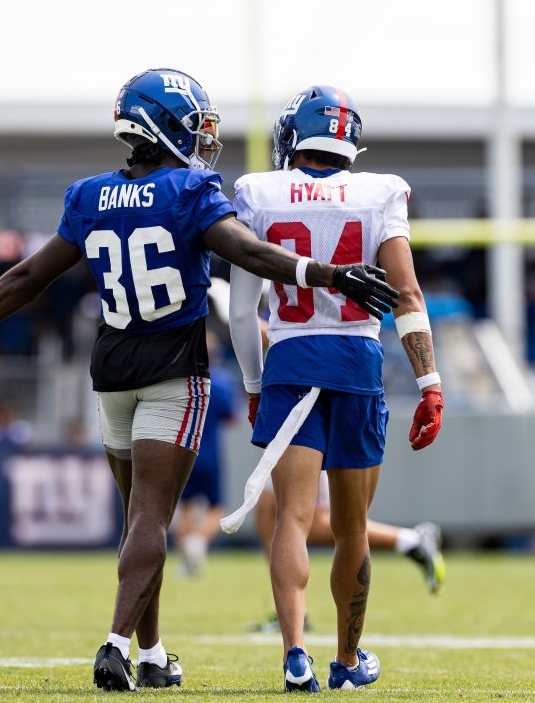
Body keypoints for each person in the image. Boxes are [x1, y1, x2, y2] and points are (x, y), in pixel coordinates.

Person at [0, 69, 398, 693]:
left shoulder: (88, 195)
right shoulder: (191, 189)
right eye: (193, 124)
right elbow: (250, 254)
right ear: (163, 124)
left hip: (110, 371)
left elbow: (27, 279)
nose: (203, 138)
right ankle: (116, 644)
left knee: (141, 518)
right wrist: (330, 275)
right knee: (149, 519)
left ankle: (155, 651)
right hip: (173, 369)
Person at [228, 85, 444, 692]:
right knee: (351, 527)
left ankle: (296, 656)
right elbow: (408, 296)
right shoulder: (381, 192)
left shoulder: (257, 192)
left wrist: (253, 382)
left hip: (291, 362)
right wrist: (430, 383)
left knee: (291, 521)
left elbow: (244, 312)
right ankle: (347, 664)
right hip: (356, 362)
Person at [248, 478, 446, 632]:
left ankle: (412, 541)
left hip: (304, 428)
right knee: (267, 512)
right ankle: (291, 613)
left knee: (315, 523)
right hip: (284, 430)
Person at [174, 333, 237, 577]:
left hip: (184, 451)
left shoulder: (183, 380)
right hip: (210, 453)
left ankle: (186, 564)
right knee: (217, 507)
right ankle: (197, 542)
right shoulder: (221, 381)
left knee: (186, 506)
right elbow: (231, 417)